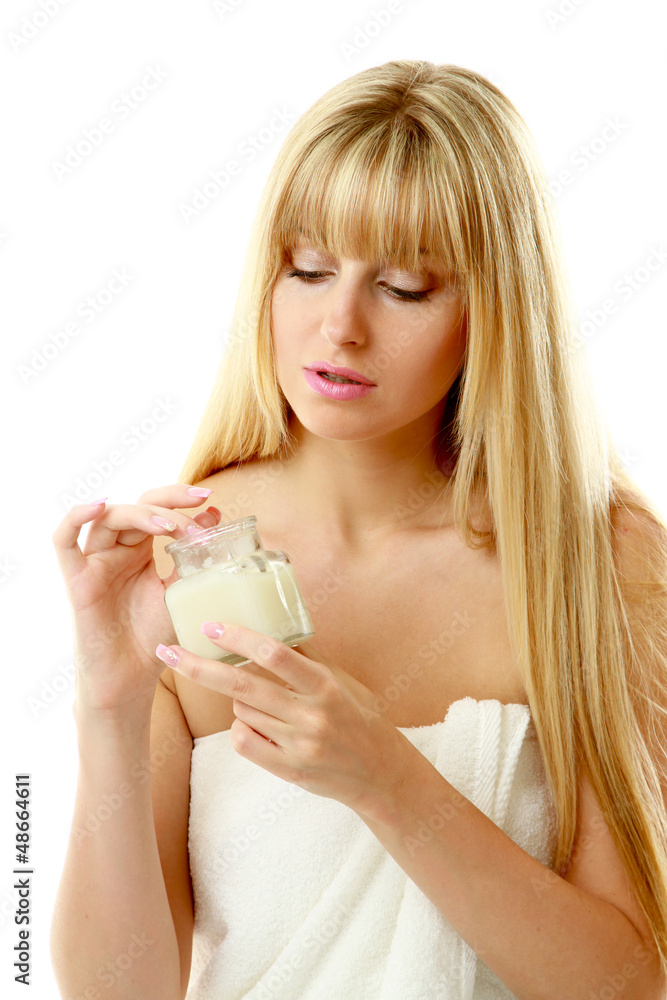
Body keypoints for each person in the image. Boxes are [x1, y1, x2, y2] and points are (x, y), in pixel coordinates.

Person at [49, 60, 667, 999]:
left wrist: (386, 776)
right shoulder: (188, 553)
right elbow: (117, 993)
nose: (338, 326)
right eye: (307, 270)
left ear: (494, 310)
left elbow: (627, 983)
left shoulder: (599, 565)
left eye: (405, 287)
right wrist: (109, 700)